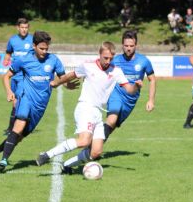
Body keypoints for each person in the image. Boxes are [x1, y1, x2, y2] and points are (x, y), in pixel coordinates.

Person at [60, 30, 156, 174]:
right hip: (116, 94)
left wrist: (151, 100)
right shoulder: (115, 60)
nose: (128, 48)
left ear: (136, 45)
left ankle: (89, 150)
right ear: (122, 45)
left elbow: (152, 79)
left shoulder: (144, 61)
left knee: (110, 129)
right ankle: (89, 143)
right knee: (111, 120)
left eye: (131, 45)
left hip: (130, 101)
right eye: (125, 45)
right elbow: (98, 68)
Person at [35, 42, 142, 170]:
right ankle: (46, 155)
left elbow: (129, 89)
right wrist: (56, 83)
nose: (108, 61)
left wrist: (136, 86)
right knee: (84, 141)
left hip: (98, 112)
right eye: (105, 58)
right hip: (85, 107)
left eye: (111, 58)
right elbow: (70, 75)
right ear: (100, 54)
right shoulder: (88, 66)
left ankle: (67, 165)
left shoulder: (116, 71)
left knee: (96, 152)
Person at [0, 31, 69, 173]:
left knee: (18, 137)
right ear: (34, 46)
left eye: (46, 48)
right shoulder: (23, 60)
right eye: (41, 48)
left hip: (40, 106)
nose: (44, 51)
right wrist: (10, 92)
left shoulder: (53, 60)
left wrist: (68, 84)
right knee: (18, 126)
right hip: (25, 98)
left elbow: (62, 78)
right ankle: (4, 161)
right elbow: (6, 76)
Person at [1, 18, 34, 135]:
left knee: (17, 102)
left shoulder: (32, 40)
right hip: (15, 75)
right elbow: (8, 52)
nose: (24, 30)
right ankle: (14, 127)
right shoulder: (12, 40)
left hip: (25, 76)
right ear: (18, 28)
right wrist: (6, 59)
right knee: (14, 102)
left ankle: (13, 129)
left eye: (26, 28)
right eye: (22, 28)